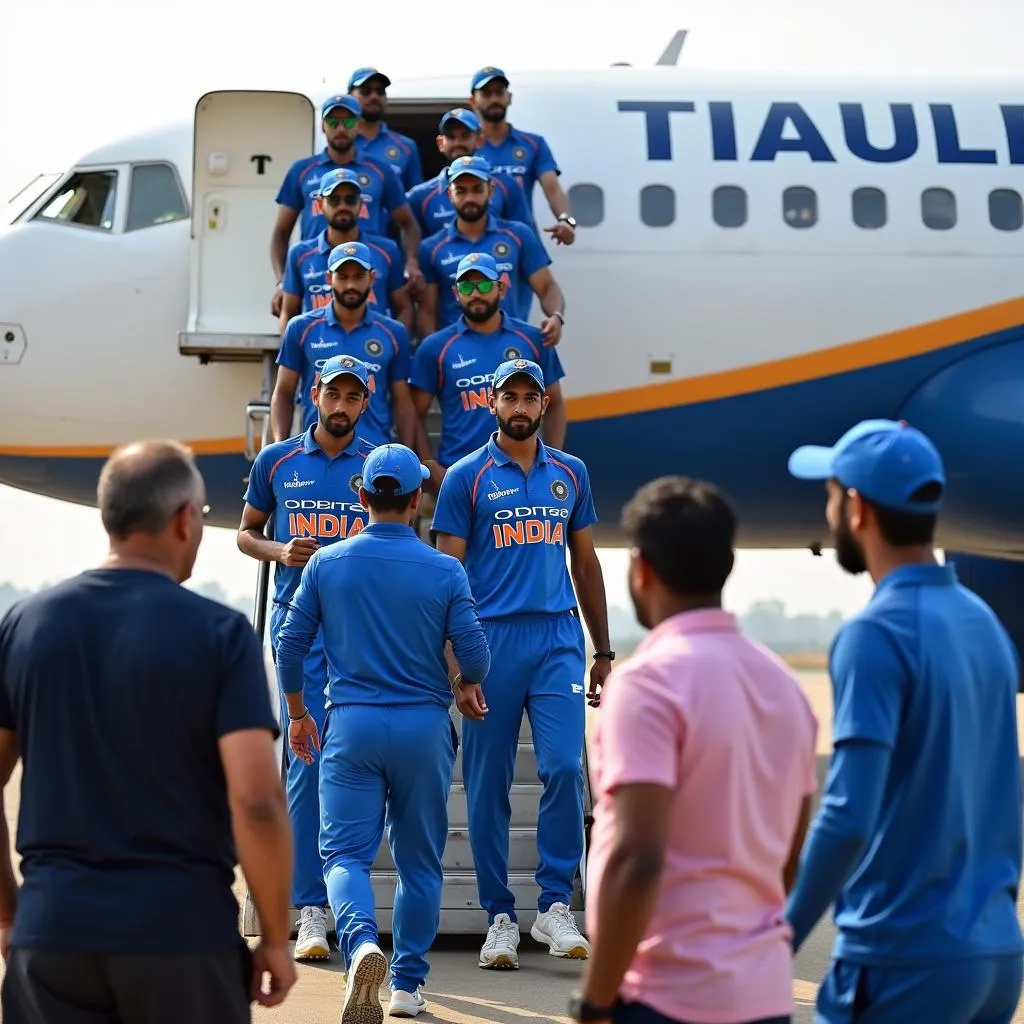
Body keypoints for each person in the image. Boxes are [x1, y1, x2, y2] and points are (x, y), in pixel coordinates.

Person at [0, 440, 295, 1023]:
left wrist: (11, 915)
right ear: (185, 519)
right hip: (181, 938)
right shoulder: (220, 635)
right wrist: (276, 938)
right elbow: (257, 802)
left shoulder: (25, 625)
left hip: (54, 933)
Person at [784, 419, 1024, 1024]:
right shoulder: (983, 624)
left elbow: (847, 814)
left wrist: (778, 936)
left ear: (858, 508)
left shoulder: (875, 634)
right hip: (994, 953)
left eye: (832, 494)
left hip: (905, 959)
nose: (829, 508)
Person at [571, 476, 818, 1024]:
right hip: (765, 994)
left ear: (640, 570)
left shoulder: (647, 686)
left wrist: (596, 1001)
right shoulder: (785, 688)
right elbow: (789, 853)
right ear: (727, 568)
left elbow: (637, 858)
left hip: (666, 996)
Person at [275, 443, 491, 1021]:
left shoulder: (326, 563)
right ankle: (407, 985)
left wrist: (298, 713)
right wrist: (466, 682)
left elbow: (290, 645)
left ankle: (362, 942)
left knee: (344, 855)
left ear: (360, 496)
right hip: (422, 728)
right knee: (419, 862)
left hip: (351, 725)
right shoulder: (445, 569)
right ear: (418, 500)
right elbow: (474, 653)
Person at [432, 358, 612, 970]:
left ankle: (556, 905)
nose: (519, 406)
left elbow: (586, 565)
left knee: (565, 767)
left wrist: (604, 650)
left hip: (559, 636)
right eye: (508, 396)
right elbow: (446, 579)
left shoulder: (571, 473)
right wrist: (458, 667)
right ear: (492, 402)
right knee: (487, 785)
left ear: (542, 406)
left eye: (530, 398)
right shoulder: (466, 477)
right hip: (490, 641)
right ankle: (500, 915)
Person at [238, 356, 378, 962]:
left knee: (359, 760)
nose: (341, 405)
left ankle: (355, 901)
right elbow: (244, 532)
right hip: (299, 629)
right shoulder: (277, 461)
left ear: (364, 402)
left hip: (362, 634)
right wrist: (278, 550)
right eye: (333, 393)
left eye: (353, 396)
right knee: (307, 763)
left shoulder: (378, 464)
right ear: (313, 394)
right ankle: (311, 909)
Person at [409, 254, 566, 499]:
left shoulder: (534, 340)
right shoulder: (435, 347)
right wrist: (430, 464)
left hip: (523, 477)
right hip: (459, 480)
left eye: (483, 285)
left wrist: (551, 463)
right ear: (455, 293)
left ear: (501, 288)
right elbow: (414, 414)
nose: (476, 294)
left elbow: (554, 404)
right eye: (466, 286)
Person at [269, 94, 423, 316]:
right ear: (323, 126)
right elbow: (281, 232)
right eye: (333, 122)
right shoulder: (301, 171)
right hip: (317, 264)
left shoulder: (380, 170)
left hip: (366, 266)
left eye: (348, 122)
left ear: (359, 126)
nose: (340, 128)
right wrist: (282, 282)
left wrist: (411, 262)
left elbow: (409, 223)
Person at [271, 242, 417, 450]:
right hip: (315, 455)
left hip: (374, 461)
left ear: (372, 278)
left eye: (358, 276)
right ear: (329, 279)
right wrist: (279, 446)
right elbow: (284, 392)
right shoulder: (300, 328)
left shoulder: (394, 332)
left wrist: (405, 456)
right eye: (342, 276)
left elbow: (403, 404)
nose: (350, 285)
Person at [468, 66, 576, 317]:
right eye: (487, 93)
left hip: (517, 246)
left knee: (513, 317)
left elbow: (552, 187)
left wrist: (566, 220)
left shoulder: (532, 144)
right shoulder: (468, 145)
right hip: (473, 244)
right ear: (473, 100)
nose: (494, 98)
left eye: (499, 91)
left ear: (509, 97)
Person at [416, 155, 565, 337]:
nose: (470, 197)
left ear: (491, 191)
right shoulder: (431, 248)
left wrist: (556, 317)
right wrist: (435, 353)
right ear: (449, 194)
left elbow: (547, 287)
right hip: (457, 355)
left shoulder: (519, 236)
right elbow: (427, 311)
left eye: (478, 189)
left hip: (511, 348)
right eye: (461, 191)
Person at [279, 168, 413, 335]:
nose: (343, 206)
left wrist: (392, 345)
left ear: (361, 203)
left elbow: (404, 308)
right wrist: (294, 355)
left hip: (371, 353)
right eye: (334, 200)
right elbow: (288, 312)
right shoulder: (299, 254)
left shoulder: (387, 250)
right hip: (318, 353)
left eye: (350, 199)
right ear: (320, 204)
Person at [406, 108, 530, 237]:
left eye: (465, 136)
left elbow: (523, 237)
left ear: (479, 140)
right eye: (451, 137)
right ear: (441, 143)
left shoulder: (506, 185)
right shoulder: (420, 196)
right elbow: (414, 247)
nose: (458, 143)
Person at [348, 67, 424, 191]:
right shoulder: (339, 143)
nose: (374, 96)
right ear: (349, 97)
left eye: (380, 91)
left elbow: (415, 200)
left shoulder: (406, 146)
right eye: (366, 91)